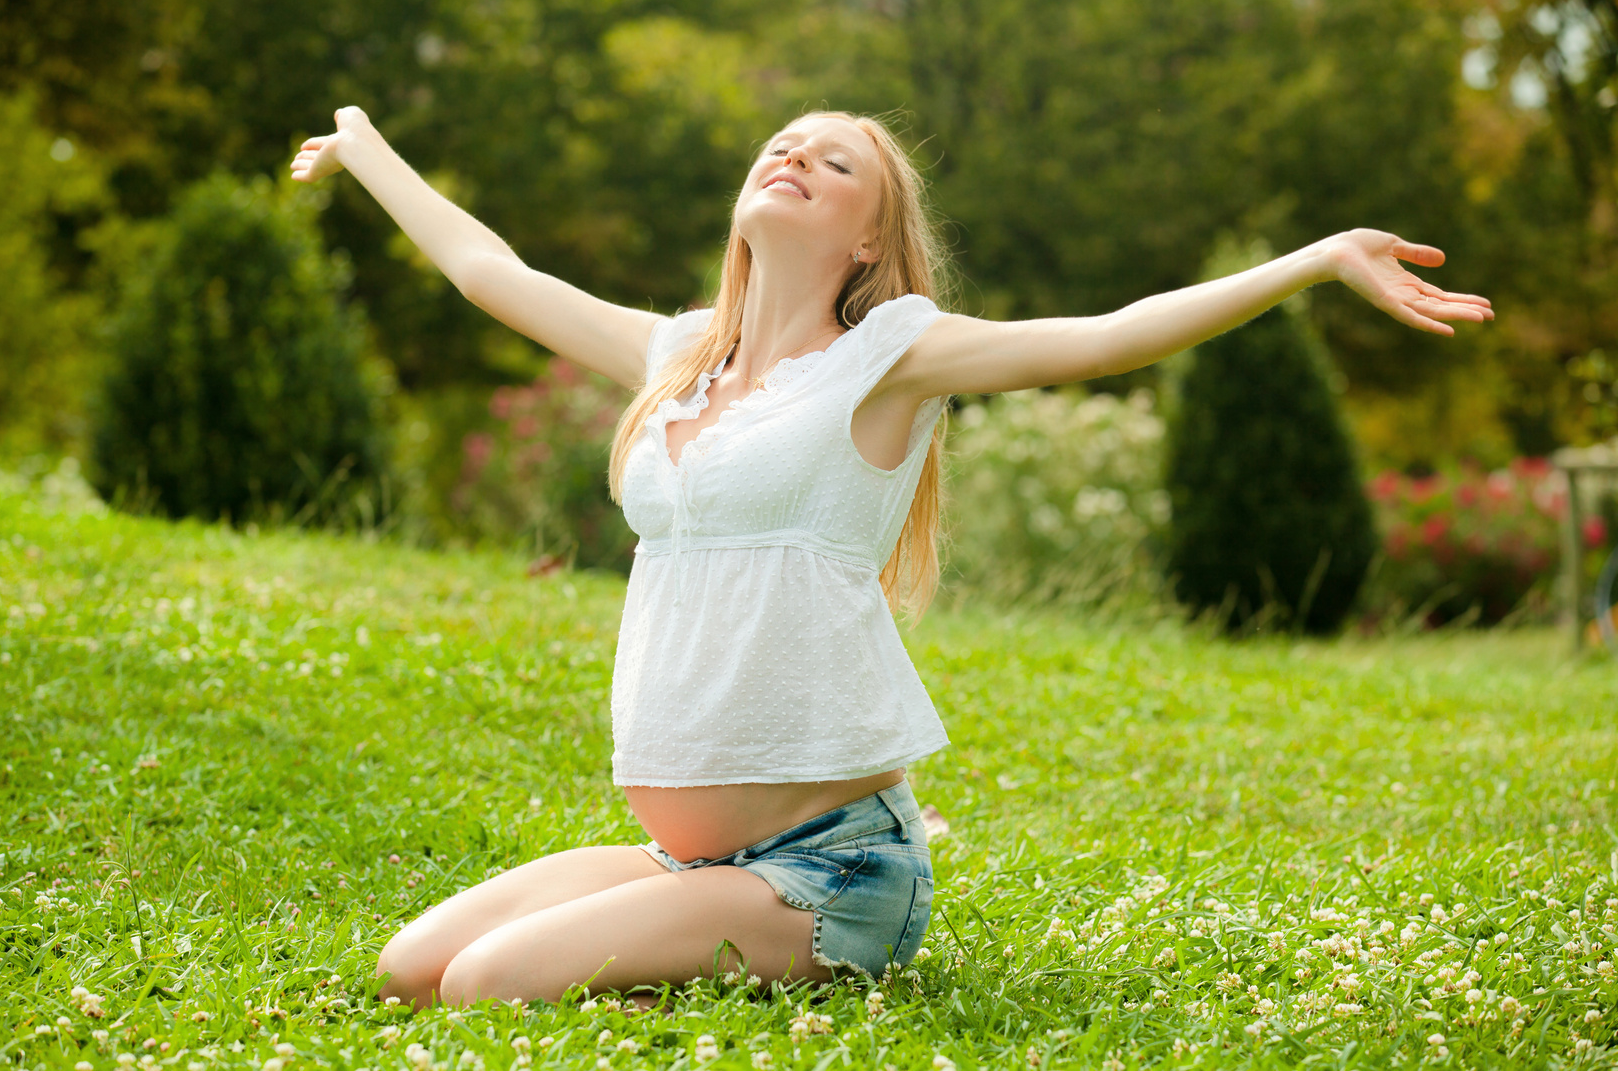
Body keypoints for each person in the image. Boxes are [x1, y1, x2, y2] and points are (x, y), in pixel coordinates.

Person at [289, 106, 1491, 1008]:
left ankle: (772, 961)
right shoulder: (672, 360)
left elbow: (1102, 338)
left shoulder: (890, 358)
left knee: (480, 989)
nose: (793, 158)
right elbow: (489, 271)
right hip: (688, 850)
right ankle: (688, 941)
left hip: (829, 868)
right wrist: (365, 149)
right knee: (412, 967)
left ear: (869, 238)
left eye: (833, 160)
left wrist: (1313, 260)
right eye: (781, 144)